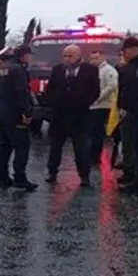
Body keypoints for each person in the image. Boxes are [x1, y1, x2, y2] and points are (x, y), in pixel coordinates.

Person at [43, 45, 100, 185]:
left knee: (81, 148)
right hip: (59, 115)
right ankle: (52, 172)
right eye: (65, 56)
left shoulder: (90, 70)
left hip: (79, 116)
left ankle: (84, 176)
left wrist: (84, 102)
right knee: (55, 147)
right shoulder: (58, 70)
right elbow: (50, 90)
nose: (67, 59)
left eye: (70, 56)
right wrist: (54, 103)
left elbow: (95, 91)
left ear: (78, 56)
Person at [0, 44, 38, 191]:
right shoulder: (19, 70)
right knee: (22, 147)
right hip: (15, 115)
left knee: (4, 147)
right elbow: (21, 93)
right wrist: (27, 112)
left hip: (2, 113)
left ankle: (2, 178)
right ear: (24, 55)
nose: (30, 58)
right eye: (29, 55)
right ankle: (20, 178)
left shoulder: (3, 67)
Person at [88, 50, 119, 165]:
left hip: (103, 105)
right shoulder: (92, 70)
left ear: (103, 57)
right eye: (92, 58)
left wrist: (98, 98)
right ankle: (91, 155)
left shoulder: (109, 70)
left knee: (97, 132)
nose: (93, 61)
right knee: (92, 132)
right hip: (92, 105)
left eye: (96, 58)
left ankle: (94, 157)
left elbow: (111, 86)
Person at [119, 37, 138, 192]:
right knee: (133, 146)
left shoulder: (134, 67)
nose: (124, 54)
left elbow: (132, 91)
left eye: (125, 51)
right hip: (132, 111)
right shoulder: (131, 66)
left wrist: (126, 107)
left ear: (134, 49)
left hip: (135, 112)